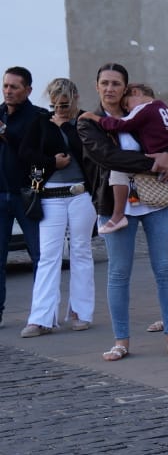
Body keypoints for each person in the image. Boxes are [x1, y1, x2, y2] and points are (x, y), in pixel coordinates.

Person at [76, 63, 168, 361]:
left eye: (116, 83)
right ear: (97, 85)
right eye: (105, 83)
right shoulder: (89, 122)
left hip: (156, 200)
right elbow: (108, 157)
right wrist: (157, 163)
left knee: (165, 269)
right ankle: (121, 341)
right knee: (118, 273)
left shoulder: (140, 112)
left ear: (125, 88)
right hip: (114, 203)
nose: (110, 88)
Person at [18, 78, 94, 338]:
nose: (60, 109)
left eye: (65, 103)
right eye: (55, 103)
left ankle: (80, 312)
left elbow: (88, 152)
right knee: (49, 256)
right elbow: (26, 154)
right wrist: (52, 162)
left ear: (74, 99)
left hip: (80, 194)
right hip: (50, 195)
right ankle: (41, 317)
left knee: (81, 251)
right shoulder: (40, 122)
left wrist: (68, 127)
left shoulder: (84, 120)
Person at [80, 84, 168, 235]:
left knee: (118, 171)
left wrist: (94, 117)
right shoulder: (162, 106)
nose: (128, 110)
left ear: (135, 92)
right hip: (164, 153)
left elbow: (122, 124)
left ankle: (118, 215)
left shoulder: (144, 108)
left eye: (127, 104)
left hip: (154, 157)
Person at [1, 66, 47, 325]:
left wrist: (5, 133)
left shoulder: (38, 117)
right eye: (5, 86)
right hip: (0, 194)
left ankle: (41, 313)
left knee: (40, 256)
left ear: (28, 90)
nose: (8, 91)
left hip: (27, 195)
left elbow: (33, 153)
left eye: (14, 87)